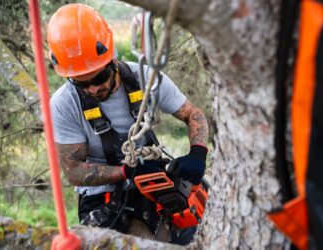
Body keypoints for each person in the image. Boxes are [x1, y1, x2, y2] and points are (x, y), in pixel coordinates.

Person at [47, 3, 209, 245]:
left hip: (152, 178)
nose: (93, 88)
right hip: (102, 195)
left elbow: (193, 114)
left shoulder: (145, 79)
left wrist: (197, 153)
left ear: (111, 59)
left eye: (99, 77)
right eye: (81, 83)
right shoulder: (64, 103)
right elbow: (74, 171)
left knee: (197, 225)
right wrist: (126, 171)